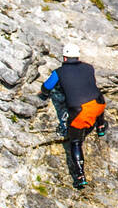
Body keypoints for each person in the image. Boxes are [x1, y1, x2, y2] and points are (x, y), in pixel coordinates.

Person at [39, 42, 107, 190]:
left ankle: (80, 177)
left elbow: (46, 87)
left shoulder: (59, 72)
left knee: (75, 142)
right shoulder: (89, 68)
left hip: (80, 112)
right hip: (99, 105)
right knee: (96, 98)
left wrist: (43, 94)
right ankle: (101, 127)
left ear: (64, 58)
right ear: (77, 56)